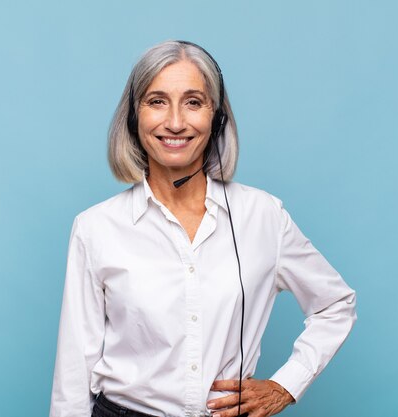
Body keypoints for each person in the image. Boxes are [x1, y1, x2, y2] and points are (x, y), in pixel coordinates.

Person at [49, 40, 357, 417]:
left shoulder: (263, 216)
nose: (176, 122)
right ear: (133, 117)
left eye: (193, 102)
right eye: (157, 101)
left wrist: (285, 386)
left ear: (217, 117)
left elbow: (336, 305)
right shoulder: (96, 228)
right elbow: (73, 374)